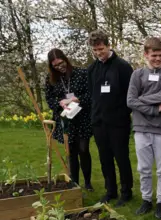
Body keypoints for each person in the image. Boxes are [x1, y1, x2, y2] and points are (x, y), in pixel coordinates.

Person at [127, 37, 161, 219]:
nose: (158, 59)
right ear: (146, 54)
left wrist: (140, 100)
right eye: (154, 55)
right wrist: (155, 109)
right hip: (141, 128)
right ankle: (146, 199)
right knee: (144, 168)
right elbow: (129, 101)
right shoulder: (137, 75)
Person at [87, 30, 134, 207]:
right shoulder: (92, 69)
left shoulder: (122, 66)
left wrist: (122, 114)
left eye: (101, 48)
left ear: (108, 45)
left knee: (121, 157)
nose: (99, 53)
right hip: (99, 122)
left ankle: (126, 191)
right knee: (105, 157)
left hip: (118, 122)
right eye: (95, 50)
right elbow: (93, 95)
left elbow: (131, 94)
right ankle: (110, 190)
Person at [45, 48, 93, 190]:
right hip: (66, 118)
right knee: (70, 151)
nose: (60, 67)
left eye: (61, 63)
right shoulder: (51, 79)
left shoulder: (81, 73)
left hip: (82, 117)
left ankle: (88, 182)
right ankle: (75, 182)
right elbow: (49, 98)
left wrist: (77, 100)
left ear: (65, 59)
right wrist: (60, 104)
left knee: (83, 149)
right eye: (55, 66)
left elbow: (90, 94)